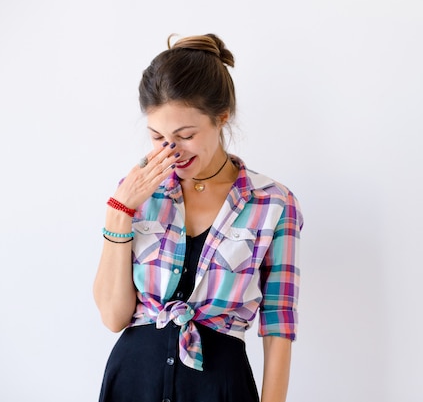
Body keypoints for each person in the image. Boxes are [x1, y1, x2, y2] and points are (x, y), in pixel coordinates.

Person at [93, 33, 303, 402]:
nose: (170, 150)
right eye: (157, 136)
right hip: (133, 384)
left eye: (185, 135)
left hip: (219, 389)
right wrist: (119, 212)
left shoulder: (273, 203)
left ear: (221, 118)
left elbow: (278, 323)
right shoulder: (139, 192)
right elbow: (113, 317)